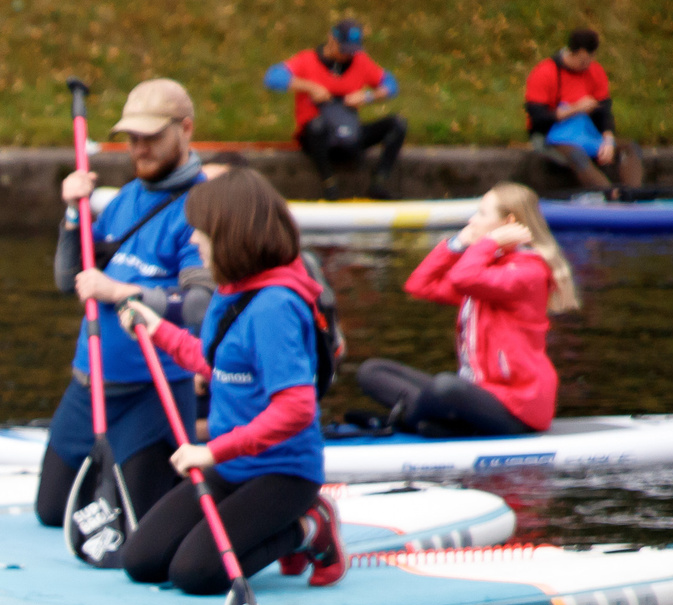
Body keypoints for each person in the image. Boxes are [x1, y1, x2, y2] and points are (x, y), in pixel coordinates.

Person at [115, 169, 345, 592]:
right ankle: (280, 530)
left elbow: (297, 409)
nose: (195, 242)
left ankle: (310, 526)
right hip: (231, 466)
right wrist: (156, 327)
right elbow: (213, 363)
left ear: (231, 236)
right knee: (141, 561)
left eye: (201, 233)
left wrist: (212, 452)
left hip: (282, 473)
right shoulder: (229, 291)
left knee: (195, 573)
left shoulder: (275, 307)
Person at [37, 79, 209, 533]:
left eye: (152, 137)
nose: (140, 148)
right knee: (53, 512)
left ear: (185, 129)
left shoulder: (204, 209)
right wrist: (74, 215)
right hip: (89, 384)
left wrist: (122, 293)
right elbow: (66, 279)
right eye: (132, 138)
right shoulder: (124, 199)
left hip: (155, 390)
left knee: (141, 523)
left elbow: (198, 306)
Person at [355, 183, 578, 438]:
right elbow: (420, 285)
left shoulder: (528, 272)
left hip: (518, 407)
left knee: (446, 387)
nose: (472, 220)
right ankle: (426, 422)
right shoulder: (488, 267)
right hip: (476, 393)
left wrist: (488, 243)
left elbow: (464, 278)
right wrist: (456, 243)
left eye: (482, 214)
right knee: (372, 371)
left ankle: (414, 421)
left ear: (508, 221)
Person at [267, 17, 405, 195]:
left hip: (349, 135)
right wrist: (310, 87)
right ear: (332, 39)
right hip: (318, 138)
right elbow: (272, 77)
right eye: (344, 49)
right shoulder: (307, 60)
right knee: (316, 126)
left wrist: (368, 96)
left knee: (398, 124)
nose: (347, 55)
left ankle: (379, 183)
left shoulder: (360, 61)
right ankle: (329, 185)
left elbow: (391, 84)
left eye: (352, 51)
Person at [525, 28, 645, 192]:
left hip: (588, 135)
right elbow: (538, 118)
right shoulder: (545, 72)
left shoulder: (595, 71)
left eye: (590, 59)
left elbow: (604, 112)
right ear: (575, 53)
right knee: (577, 156)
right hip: (554, 137)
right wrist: (575, 109)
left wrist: (608, 139)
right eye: (583, 61)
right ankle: (608, 194)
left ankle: (634, 194)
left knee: (630, 149)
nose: (587, 65)